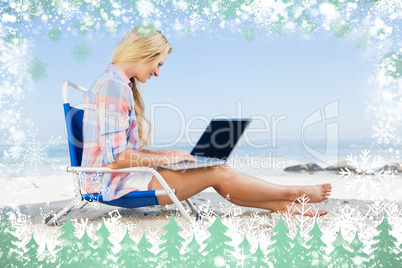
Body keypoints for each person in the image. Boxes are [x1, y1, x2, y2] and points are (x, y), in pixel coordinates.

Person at [81, 27, 332, 217]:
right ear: (145, 53)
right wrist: (165, 157)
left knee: (217, 168)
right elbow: (115, 159)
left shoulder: (115, 83)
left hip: (126, 176)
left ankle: (282, 205)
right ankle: (293, 194)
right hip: (114, 183)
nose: (157, 72)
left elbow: (120, 152)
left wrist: (167, 154)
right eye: (158, 63)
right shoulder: (113, 86)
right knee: (217, 171)